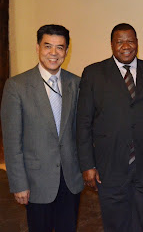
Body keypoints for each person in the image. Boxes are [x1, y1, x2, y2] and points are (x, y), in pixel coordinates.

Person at [77, 23, 143, 232]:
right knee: (116, 224)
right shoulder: (93, 74)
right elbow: (83, 122)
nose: (126, 46)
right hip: (109, 167)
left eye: (130, 40)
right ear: (111, 45)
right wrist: (87, 165)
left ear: (137, 43)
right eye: (120, 41)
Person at [1, 24, 83, 232]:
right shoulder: (16, 86)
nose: (53, 53)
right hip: (36, 182)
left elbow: (81, 131)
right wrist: (19, 183)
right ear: (37, 48)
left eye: (60, 47)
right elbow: (12, 141)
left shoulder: (77, 84)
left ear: (67, 50)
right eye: (48, 46)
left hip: (70, 180)